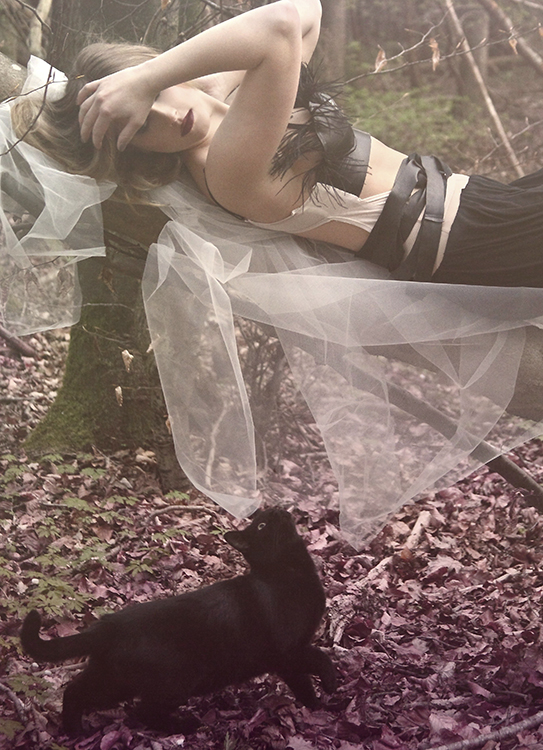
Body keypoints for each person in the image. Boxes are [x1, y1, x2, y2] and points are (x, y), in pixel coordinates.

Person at [3, 0, 543, 546]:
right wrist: (149, 81)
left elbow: (307, 11)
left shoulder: (224, 102)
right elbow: (281, 25)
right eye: (142, 128)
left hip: (486, 203)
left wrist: (179, 80)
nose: (167, 116)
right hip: (474, 241)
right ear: (136, 153)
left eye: (157, 95)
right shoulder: (226, 168)